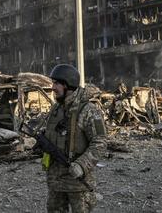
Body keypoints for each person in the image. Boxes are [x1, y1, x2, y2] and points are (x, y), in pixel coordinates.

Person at [43, 64, 107, 213]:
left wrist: (81, 165)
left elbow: (100, 142)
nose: (53, 87)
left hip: (77, 183)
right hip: (55, 181)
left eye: (57, 83)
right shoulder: (56, 109)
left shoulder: (88, 110)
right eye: (53, 83)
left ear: (68, 85)